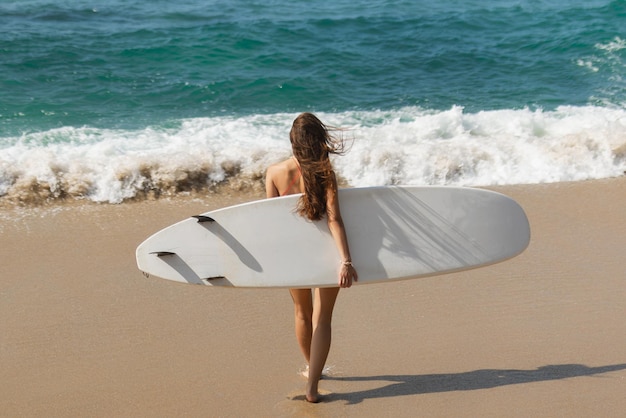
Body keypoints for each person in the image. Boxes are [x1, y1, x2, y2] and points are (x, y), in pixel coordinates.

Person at [265, 112, 358, 403]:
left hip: (294, 256)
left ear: (293, 142)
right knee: (323, 319)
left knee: (302, 313)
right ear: (318, 141)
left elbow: (270, 222)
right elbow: (335, 220)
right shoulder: (325, 174)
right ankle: (313, 386)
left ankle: (311, 368)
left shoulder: (274, 173)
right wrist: (345, 260)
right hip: (326, 254)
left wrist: (273, 262)